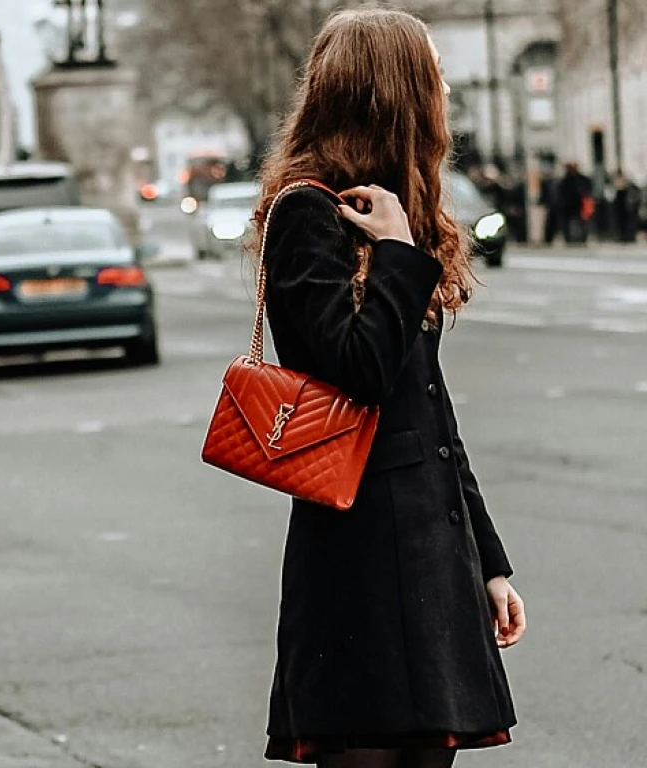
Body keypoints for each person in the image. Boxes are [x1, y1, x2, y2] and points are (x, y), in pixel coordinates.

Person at [253, 8, 526, 767]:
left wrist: (489, 563)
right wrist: (401, 255)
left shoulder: (390, 212)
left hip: (427, 558)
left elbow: (429, 410)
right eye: (431, 70)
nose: (443, 85)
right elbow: (359, 371)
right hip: (359, 562)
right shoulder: (308, 215)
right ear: (393, 90)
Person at [558, 162, 592, 244]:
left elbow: (587, 191)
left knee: (582, 222)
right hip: (568, 205)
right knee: (568, 223)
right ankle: (570, 239)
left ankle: (582, 238)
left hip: (579, 204)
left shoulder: (581, 179)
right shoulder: (565, 180)